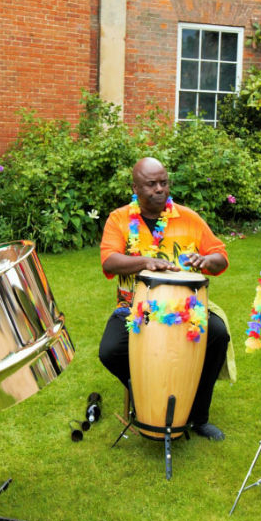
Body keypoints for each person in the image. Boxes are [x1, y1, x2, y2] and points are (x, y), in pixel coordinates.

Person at [98, 157, 230, 441]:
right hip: (134, 308)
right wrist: (146, 262)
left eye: (164, 182)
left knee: (217, 334)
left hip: (187, 308)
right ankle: (145, 395)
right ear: (135, 187)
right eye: (151, 184)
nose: (160, 189)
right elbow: (109, 261)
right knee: (110, 350)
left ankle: (197, 415)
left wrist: (206, 259)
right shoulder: (119, 219)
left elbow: (221, 257)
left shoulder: (189, 218)